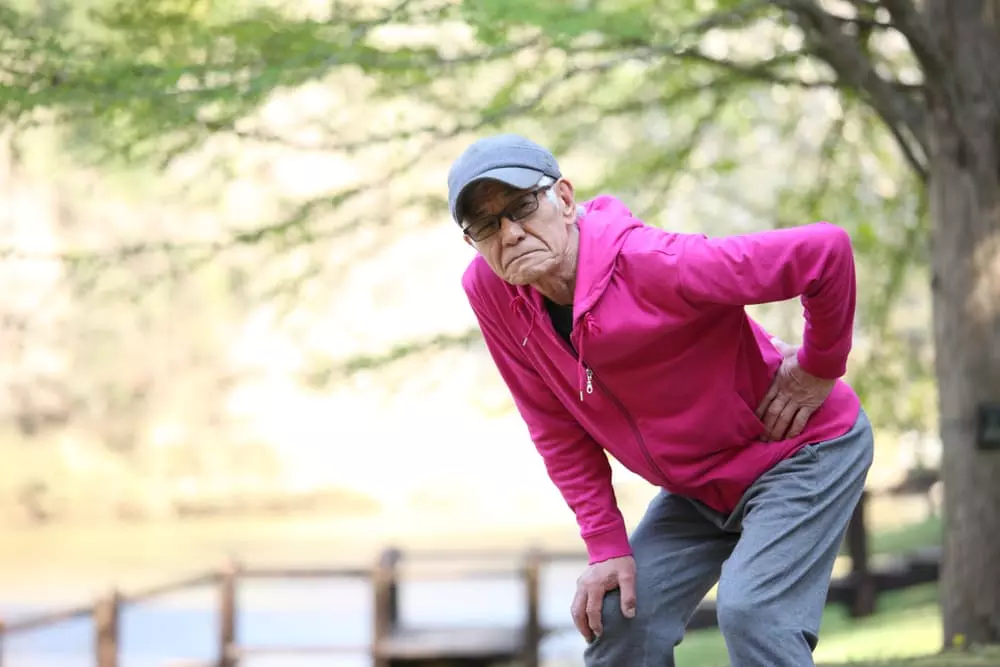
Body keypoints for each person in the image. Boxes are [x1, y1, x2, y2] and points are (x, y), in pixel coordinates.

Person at [448, 133, 874, 667]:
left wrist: (819, 368)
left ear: (563, 197)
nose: (509, 233)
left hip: (799, 451)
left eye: (522, 206)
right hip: (697, 487)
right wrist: (606, 546)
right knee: (620, 618)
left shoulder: (654, 263)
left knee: (754, 612)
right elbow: (553, 426)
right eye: (486, 225)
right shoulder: (491, 290)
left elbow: (824, 251)